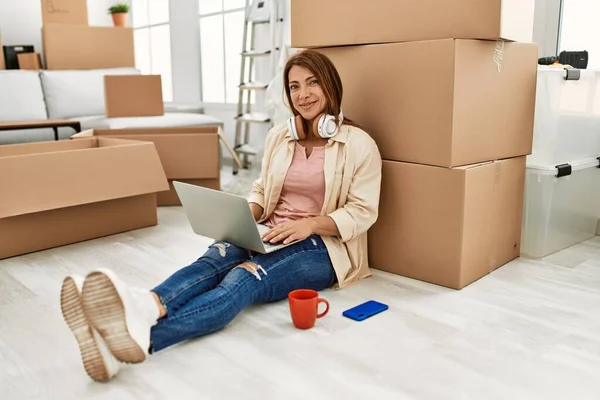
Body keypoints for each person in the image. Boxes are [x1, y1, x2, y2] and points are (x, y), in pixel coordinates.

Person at [59, 49, 383, 382]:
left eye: (312, 83)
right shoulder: (280, 137)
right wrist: (249, 212)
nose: (303, 94)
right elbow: (261, 188)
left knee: (244, 278)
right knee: (212, 260)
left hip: (322, 248)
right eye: (294, 86)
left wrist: (310, 224)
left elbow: (362, 212)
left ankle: (146, 339)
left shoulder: (359, 145)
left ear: (330, 85)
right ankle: (144, 308)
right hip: (269, 230)